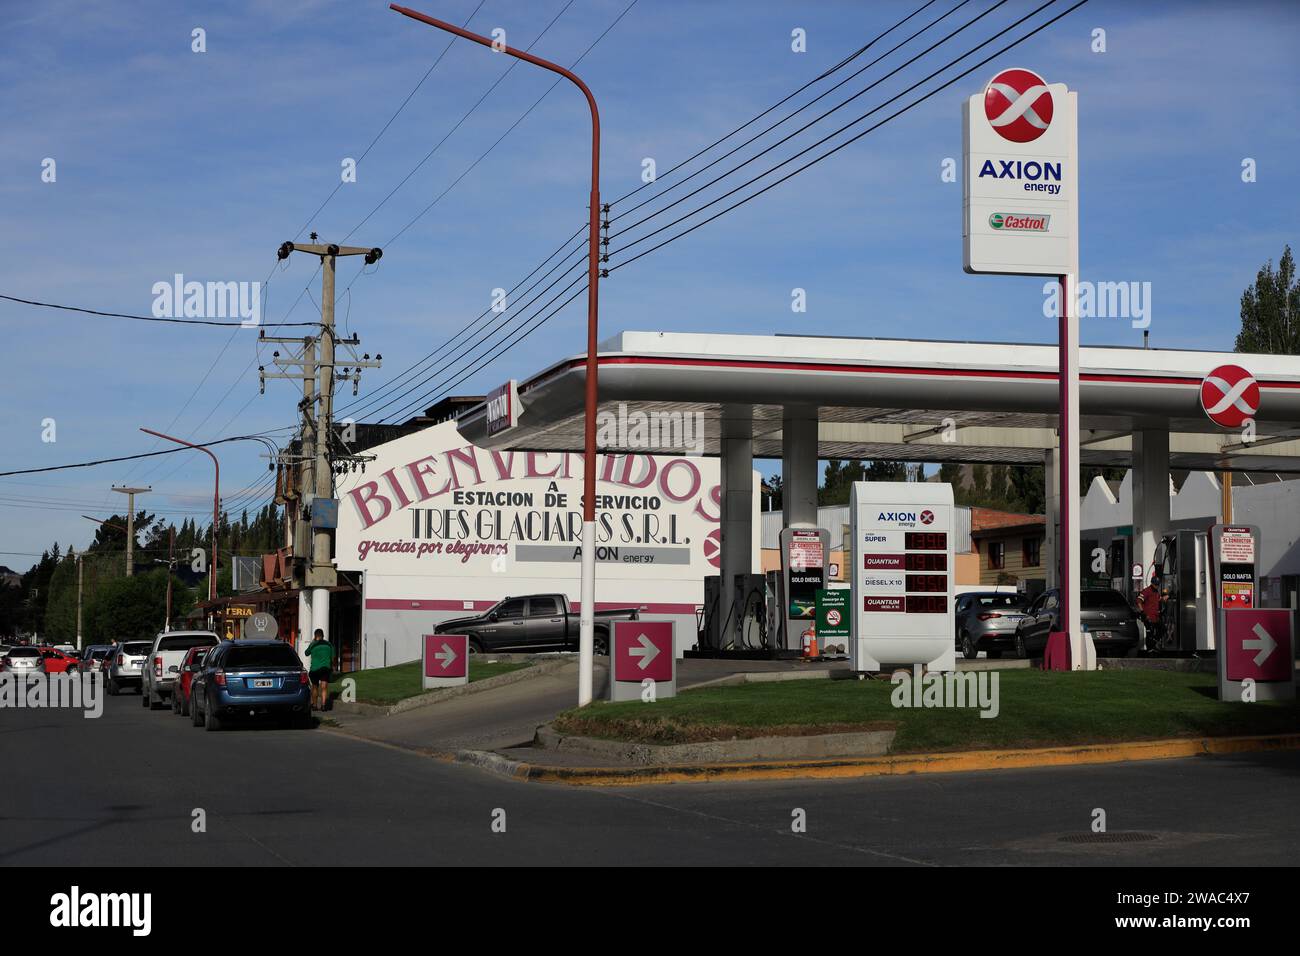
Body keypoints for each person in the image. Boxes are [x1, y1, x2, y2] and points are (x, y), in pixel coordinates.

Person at [304, 628, 334, 711]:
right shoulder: (329, 644)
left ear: (315, 636)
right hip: (325, 668)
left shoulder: (313, 644)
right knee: (324, 687)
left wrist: (313, 643)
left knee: (315, 687)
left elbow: (306, 653)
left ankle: (314, 705)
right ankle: (323, 705)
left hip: (314, 669)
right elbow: (332, 657)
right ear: (323, 636)